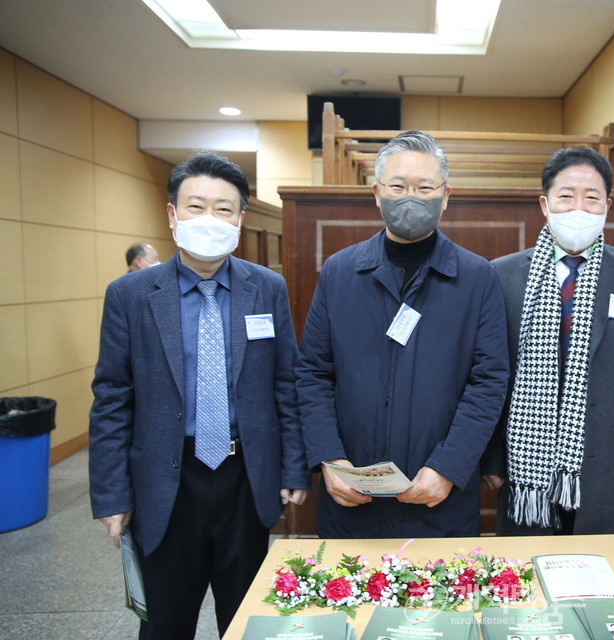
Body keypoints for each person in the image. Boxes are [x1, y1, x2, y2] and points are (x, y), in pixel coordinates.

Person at [89, 151, 311, 638]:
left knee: (250, 620)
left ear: (240, 219)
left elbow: (284, 382)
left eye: (224, 208)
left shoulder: (266, 288)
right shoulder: (130, 294)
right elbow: (112, 397)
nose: (210, 218)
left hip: (245, 476)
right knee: (166, 623)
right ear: (172, 215)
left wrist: (294, 465)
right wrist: (111, 494)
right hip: (165, 480)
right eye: (196, 206)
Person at [296, 130, 509, 538]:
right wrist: (329, 459)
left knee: (440, 600)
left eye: (424, 186)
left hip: (437, 494)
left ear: (446, 195)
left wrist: (449, 466)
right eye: (398, 186)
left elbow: (489, 381)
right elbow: (313, 374)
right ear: (377, 193)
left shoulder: (478, 277)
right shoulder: (340, 272)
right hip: (352, 492)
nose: (411, 197)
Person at [481, 147, 614, 535]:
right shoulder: (502, 275)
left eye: (592, 197)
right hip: (524, 458)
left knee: (603, 571)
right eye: (566, 196)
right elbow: (489, 375)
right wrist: (491, 459)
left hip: (610, 457)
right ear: (545, 203)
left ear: (607, 205)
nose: (579, 208)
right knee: (527, 569)